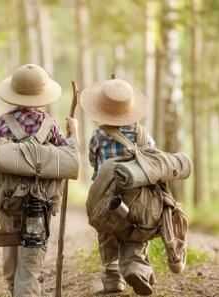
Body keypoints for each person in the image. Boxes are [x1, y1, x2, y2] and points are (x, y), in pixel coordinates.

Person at [0, 64, 78, 297]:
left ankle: (15, 289)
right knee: (31, 257)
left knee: (11, 251)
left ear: (15, 93)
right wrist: (75, 133)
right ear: (42, 96)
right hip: (39, 202)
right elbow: (70, 158)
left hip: (8, 200)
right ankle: (26, 291)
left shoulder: (4, 123)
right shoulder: (50, 125)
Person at [80, 78, 157, 295]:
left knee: (108, 230)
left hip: (108, 196)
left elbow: (94, 164)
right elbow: (153, 159)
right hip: (138, 195)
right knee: (137, 230)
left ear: (102, 109)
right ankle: (136, 267)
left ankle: (113, 276)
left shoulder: (98, 136)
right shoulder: (143, 135)